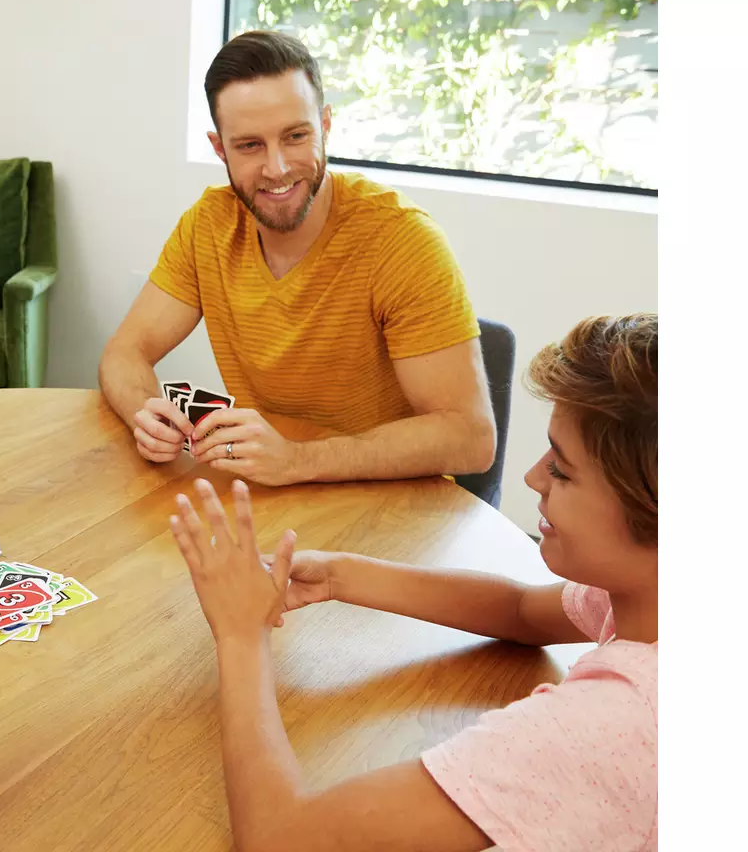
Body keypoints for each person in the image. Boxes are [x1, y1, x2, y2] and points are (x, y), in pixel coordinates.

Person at [168, 314, 657, 850]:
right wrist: (338, 575)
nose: (533, 477)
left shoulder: (614, 724)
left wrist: (241, 635)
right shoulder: (650, 595)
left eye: (562, 470)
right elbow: (520, 611)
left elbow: (282, 840)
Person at [100, 30, 495, 487]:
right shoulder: (208, 224)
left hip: (394, 508)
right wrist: (143, 414)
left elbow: (471, 438)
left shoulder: (401, 240)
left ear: (325, 125)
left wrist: (295, 460)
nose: (278, 168)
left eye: (295, 136)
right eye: (249, 145)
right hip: (273, 496)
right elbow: (124, 352)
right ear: (218, 148)